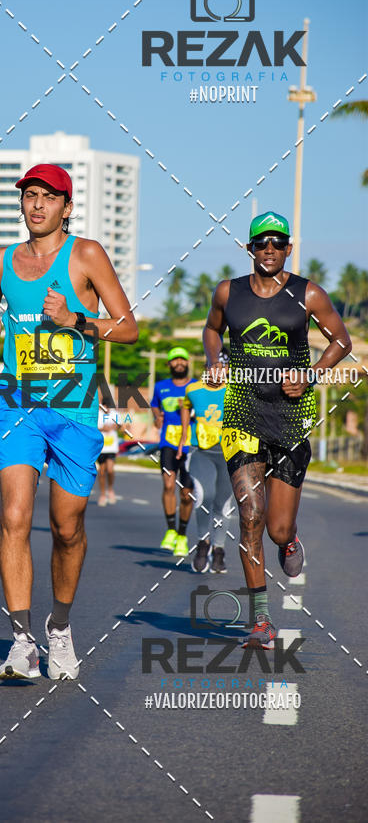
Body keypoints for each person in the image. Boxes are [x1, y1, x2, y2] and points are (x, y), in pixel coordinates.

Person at [0, 163, 138, 681]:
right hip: (16, 400)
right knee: (15, 516)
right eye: (29, 196)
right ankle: (21, 641)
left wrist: (76, 321)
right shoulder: (1, 259)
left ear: (67, 207)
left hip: (74, 405)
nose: (37, 204)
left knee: (67, 528)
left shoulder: (86, 255)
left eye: (49, 197)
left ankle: (59, 628)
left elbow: (129, 328)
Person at [204, 211, 352, 648]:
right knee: (250, 517)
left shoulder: (308, 293)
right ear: (249, 249)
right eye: (260, 243)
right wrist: (215, 361)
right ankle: (261, 622)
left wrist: (312, 374)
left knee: (276, 529)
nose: (269, 249)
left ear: (288, 248)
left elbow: (341, 341)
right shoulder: (228, 292)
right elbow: (212, 330)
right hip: (242, 412)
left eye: (277, 243)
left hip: (290, 417)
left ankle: (289, 543)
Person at [177, 352, 233, 574]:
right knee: (202, 497)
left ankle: (219, 550)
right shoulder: (194, 389)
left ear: (229, 369)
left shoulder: (236, 391)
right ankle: (203, 542)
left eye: (222, 367)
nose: (217, 371)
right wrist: (183, 437)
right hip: (202, 451)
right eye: (212, 366)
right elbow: (185, 406)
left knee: (223, 505)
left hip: (229, 454)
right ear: (206, 368)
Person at [151, 347, 196, 557]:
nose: (179, 362)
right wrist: (157, 416)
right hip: (168, 442)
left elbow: (205, 410)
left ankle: (182, 535)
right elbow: (154, 405)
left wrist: (189, 409)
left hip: (190, 444)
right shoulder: (161, 387)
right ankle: (170, 530)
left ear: (187, 363)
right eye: (174, 359)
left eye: (182, 359)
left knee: (186, 494)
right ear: (168, 364)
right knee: (168, 484)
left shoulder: (196, 386)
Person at [97, 407, 120, 506]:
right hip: (101, 447)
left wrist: (115, 426)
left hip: (112, 447)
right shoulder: (98, 414)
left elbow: (120, 426)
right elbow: (94, 427)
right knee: (102, 471)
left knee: (110, 469)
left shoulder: (115, 414)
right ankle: (102, 494)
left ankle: (110, 489)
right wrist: (103, 428)